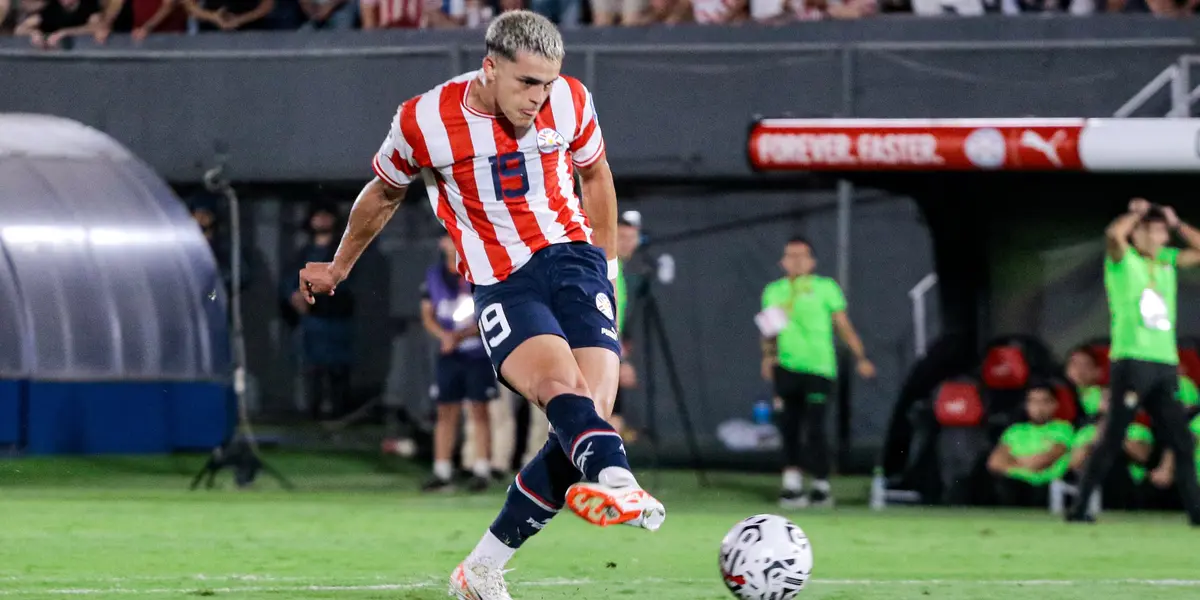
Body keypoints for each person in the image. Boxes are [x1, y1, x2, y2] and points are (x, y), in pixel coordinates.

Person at [298, 11, 665, 600]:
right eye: (526, 83)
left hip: (575, 260)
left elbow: (595, 174)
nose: (539, 98)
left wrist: (609, 268)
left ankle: (479, 570)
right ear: (489, 67)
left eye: (548, 83)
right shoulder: (425, 119)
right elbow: (385, 191)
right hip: (503, 278)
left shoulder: (570, 100)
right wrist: (340, 266)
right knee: (559, 391)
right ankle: (620, 477)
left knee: (585, 421)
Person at [1065, 199, 1200, 525]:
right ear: (1138, 233)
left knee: (1181, 440)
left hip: (1164, 365)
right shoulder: (1123, 261)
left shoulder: (1166, 261)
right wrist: (1136, 214)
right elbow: (1114, 234)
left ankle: (1196, 512)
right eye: (1154, 231)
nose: (1161, 238)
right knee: (1113, 436)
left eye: (1163, 233)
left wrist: (1177, 222)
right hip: (1131, 362)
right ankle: (1080, 508)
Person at [758, 236, 875, 509]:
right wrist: (767, 358)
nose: (796, 261)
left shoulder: (825, 288)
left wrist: (861, 357)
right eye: (790, 255)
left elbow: (842, 325)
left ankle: (821, 484)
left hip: (820, 368)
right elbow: (769, 331)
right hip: (786, 368)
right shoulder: (774, 291)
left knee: (816, 427)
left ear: (812, 261)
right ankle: (792, 484)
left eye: (802, 255)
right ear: (782, 261)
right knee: (789, 425)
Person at [421, 233, 497, 493]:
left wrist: (461, 335)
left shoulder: (478, 272)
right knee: (445, 410)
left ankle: (482, 469)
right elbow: (427, 313)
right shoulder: (434, 275)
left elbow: (488, 311)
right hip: (449, 354)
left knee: (479, 410)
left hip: (476, 354)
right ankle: (442, 470)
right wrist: (444, 336)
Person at [986, 382, 1074, 507]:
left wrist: (1015, 461)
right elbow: (994, 462)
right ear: (1027, 405)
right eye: (1033, 402)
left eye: (1044, 402)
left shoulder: (1063, 428)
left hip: (1045, 485)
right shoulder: (1015, 430)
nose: (1039, 408)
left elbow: (1043, 461)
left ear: (1054, 404)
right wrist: (1026, 464)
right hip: (1014, 483)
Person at [609, 216, 641, 439]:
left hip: (610, 349)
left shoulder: (620, 270)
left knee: (614, 409)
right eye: (621, 237)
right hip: (600, 350)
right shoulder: (605, 268)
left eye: (632, 237)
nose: (627, 242)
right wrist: (620, 360)